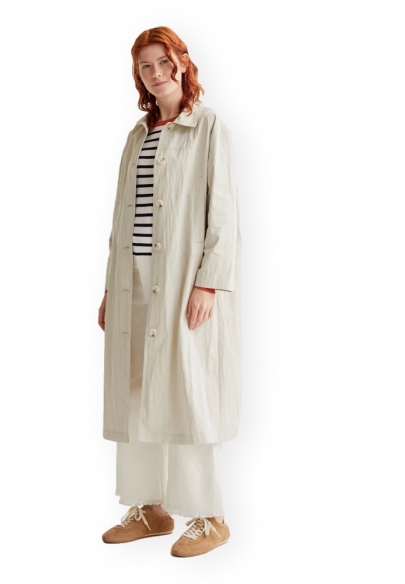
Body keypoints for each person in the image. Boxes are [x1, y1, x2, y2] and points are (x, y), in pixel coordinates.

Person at [97, 26, 242, 558]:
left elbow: (223, 212)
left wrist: (209, 281)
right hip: (131, 279)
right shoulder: (137, 135)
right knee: (136, 390)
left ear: (182, 62)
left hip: (182, 279)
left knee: (187, 393)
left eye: (163, 61)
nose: (156, 73)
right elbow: (121, 217)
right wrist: (110, 288)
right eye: (145, 66)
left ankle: (210, 516)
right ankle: (149, 508)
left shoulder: (207, 127)